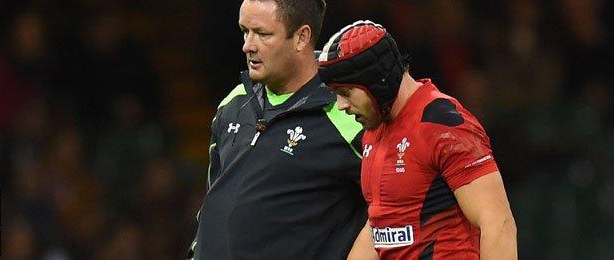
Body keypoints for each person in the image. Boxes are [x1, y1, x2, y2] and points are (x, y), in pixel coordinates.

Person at [318, 21, 517, 259]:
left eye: (346, 93)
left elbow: (498, 224)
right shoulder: (374, 130)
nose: (341, 106)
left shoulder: (443, 124)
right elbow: (381, 224)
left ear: (376, 81)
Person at [187, 1, 369, 259]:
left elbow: (393, 205)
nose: (247, 45)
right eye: (244, 31)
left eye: (262, 34)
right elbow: (214, 200)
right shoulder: (234, 102)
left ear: (301, 37)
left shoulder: (346, 112)